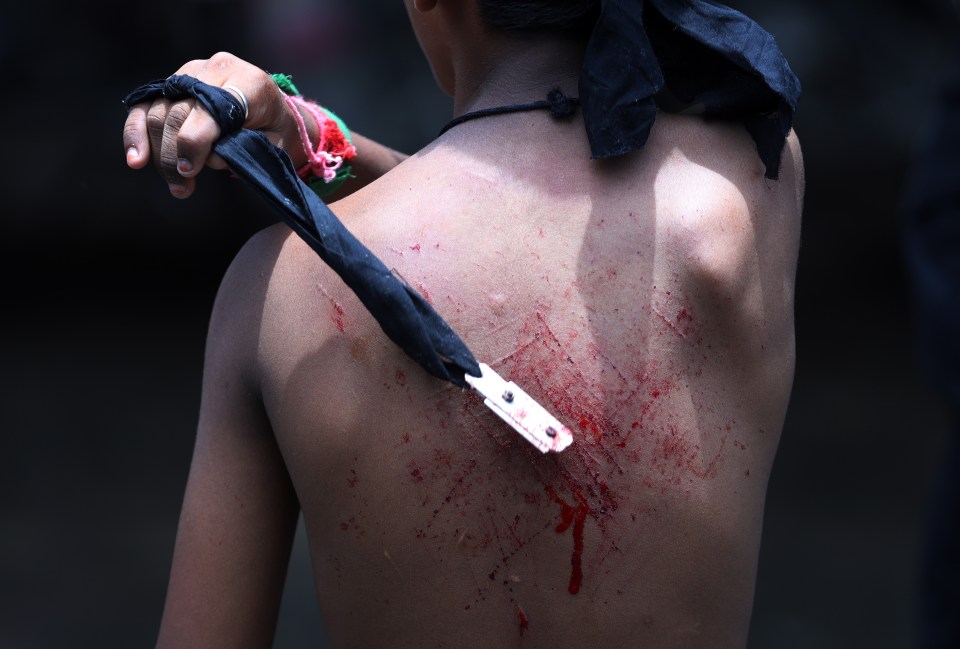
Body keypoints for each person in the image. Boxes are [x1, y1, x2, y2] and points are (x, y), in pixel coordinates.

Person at [123, 0, 804, 646]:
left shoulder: (271, 294)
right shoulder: (753, 183)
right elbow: (507, 216)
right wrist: (310, 139)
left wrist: (312, 139)